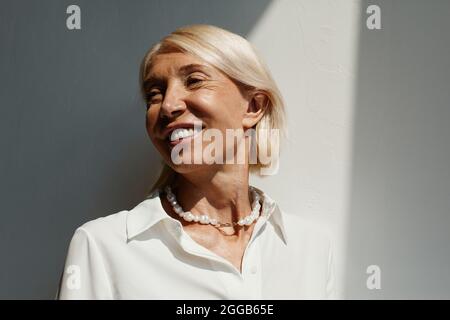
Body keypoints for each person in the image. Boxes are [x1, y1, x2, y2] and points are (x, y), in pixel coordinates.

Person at [57, 24, 335, 299]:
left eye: (194, 81)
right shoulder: (103, 246)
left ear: (253, 107)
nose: (167, 105)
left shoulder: (311, 248)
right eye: (154, 94)